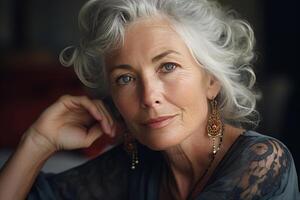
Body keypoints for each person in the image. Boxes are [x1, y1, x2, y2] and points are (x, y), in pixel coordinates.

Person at [0, 0, 299, 199]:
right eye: (125, 78)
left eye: (167, 67)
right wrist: (38, 141)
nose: (149, 96)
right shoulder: (134, 164)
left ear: (211, 80)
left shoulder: (264, 161)